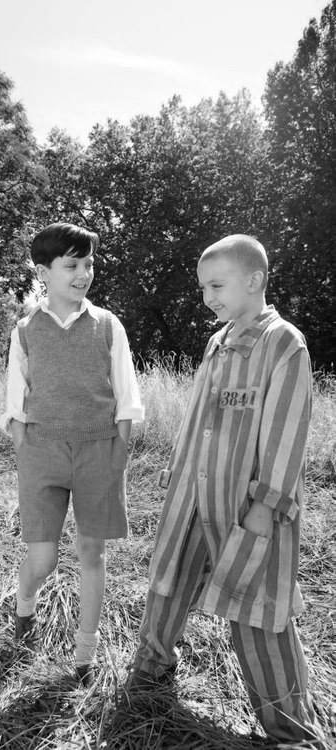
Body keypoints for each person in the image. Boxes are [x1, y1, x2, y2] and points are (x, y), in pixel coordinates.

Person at [131, 234, 326, 747]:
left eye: (216, 285)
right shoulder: (217, 342)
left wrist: (265, 507)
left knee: (257, 607)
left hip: (244, 507)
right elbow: (197, 418)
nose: (207, 297)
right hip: (192, 496)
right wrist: (175, 475)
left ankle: (290, 729)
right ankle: (150, 669)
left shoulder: (283, 343)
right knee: (168, 579)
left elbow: (286, 433)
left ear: (254, 280)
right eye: (202, 288)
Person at [0, 222, 144, 687]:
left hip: (99, 451)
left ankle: (85, 652)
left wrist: (118, 450)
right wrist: (24, 446)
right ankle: (25, 606)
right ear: (43, 272)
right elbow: (15, 401)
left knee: (91, 552)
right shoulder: (26, 330)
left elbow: (126, 396)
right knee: (42, 560)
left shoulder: (107, 325)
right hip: (42, 454)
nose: (84, 274)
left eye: (89, 264)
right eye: (72, 265)